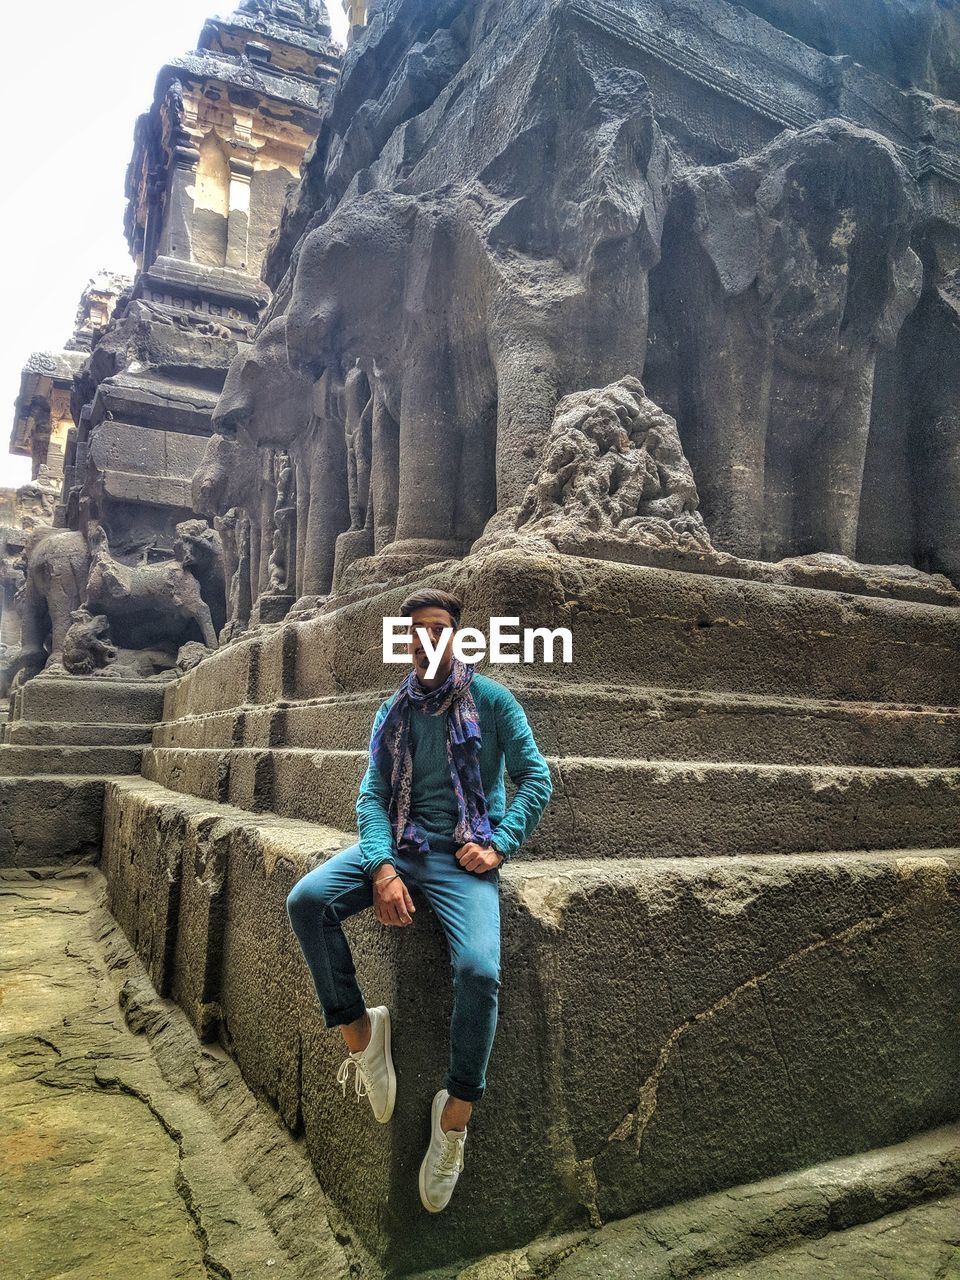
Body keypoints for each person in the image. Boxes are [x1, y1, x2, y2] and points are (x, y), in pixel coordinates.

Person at [285, 587, 553, 1212]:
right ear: (405, 641)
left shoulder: (491, 701)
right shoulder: (393, 713)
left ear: (457, 637)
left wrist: (502, 843)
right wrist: (380, 868)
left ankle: (454, 1115)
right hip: (401, 846)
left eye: (440, 629)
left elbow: (535, 776)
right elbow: (372, 798)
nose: (428, 641)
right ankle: (360, 1033)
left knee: (479, 971)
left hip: (463, 855)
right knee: (307, 900)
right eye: (417, 632)